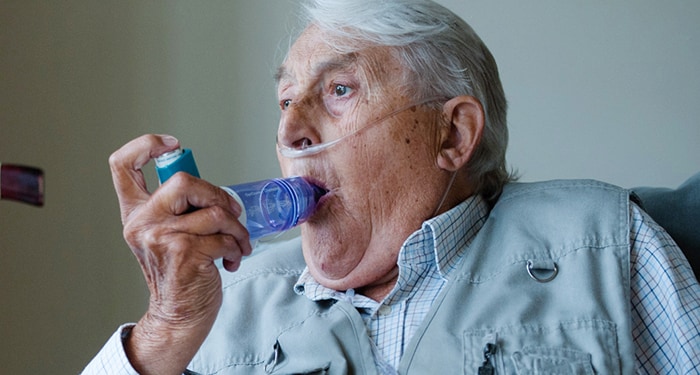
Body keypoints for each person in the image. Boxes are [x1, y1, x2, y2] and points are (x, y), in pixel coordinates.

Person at [83, 0, 700, 374]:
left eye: (339, 90)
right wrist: (163, 331)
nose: (292, 130)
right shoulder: (222, 307)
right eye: (286, 100)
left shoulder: (609, 248)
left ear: (452, 134)